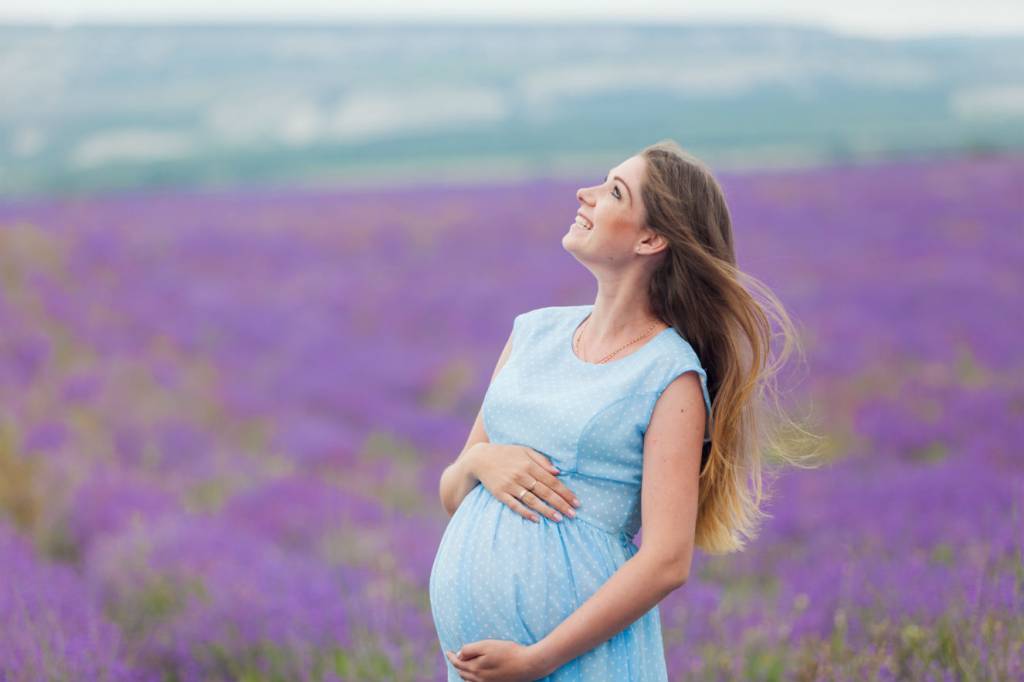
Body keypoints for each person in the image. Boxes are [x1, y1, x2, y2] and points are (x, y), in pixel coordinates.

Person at [429, 139, 810, 681]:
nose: (583, 195)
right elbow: (451, 494)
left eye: (612, 191)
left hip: (577, 665)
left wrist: (538, 659)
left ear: (651, 238)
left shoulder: (669, 376)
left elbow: (666, 562)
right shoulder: (532, 332)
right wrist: (479, 464)